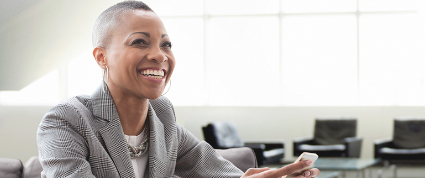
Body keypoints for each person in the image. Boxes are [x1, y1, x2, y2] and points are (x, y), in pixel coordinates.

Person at [37, 1, 321, 178]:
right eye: (139, 42)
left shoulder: (162, 115)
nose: (160, 55)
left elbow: (215, 170)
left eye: (166, 44)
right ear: (102, 57)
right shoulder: (65, 121)